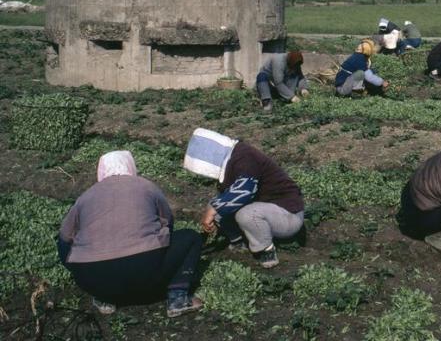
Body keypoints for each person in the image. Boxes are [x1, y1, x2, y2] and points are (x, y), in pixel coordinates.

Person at [58, 151, 203, 317]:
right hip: (145, 271)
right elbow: (167, 222)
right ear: (131, 166)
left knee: (66, 244)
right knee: (191, 238)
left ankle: (104, 297)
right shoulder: (146, 186)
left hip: (92, 280)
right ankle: (178, 298)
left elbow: (64, 238)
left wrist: (78, 268)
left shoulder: (85, 196)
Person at [183, 128, 305, 268]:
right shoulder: (232, 160)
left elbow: (244, 191)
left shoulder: (245, 157)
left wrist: (213, 209)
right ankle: (238, 241)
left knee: (244, 214)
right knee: (216, 206)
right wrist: (213, 208)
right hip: (267, 210)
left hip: (288, 214)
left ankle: (266, 251)